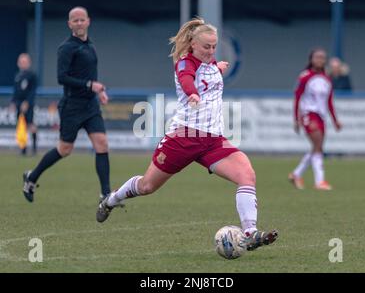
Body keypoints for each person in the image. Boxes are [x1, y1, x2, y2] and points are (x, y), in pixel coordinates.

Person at [96, 17, 278, 252]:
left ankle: (251, 233)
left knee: (246, 174)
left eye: (214, 47)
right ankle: (111, 200)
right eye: (206, 47)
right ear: (193, 44)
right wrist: (192, 93)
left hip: (213, 141)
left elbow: (208, 74)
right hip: (183, 139)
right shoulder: (185, 62)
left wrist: (218, 68)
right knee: (147, 186)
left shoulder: (211, 64)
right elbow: (186, 79)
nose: (210, 51)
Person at [23, 7, 111, 203]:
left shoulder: (90, 46)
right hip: (72, 106)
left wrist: (100, 91)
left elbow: (91, 77)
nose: (79, 23)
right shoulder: (66, 48)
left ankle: (105, 194)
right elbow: (61, 78)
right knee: (64, 149)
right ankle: (31, 177)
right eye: (75, 20)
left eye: (82, 19)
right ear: (69, 24)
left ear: (88, 21)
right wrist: (90, 85)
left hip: (90, 105)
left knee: (102, 144)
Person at [289, 48, 342, 191]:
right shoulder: (305, 76)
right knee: (318, 145)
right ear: (311, 59)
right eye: (317, 57)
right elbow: (298, 97)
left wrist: (335, 120)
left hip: (321, 116)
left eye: (322, 57)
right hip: (308, 114)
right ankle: (320, 181)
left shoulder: (326, 79)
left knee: (317, 147)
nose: (320, 60)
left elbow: (329, 101)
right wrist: (296, 118)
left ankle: (296, 174)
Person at [10, 53, 38, 156]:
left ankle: (34, 149)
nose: (23, 64)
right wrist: (13, 102)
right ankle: (23, 149)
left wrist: (27, 102)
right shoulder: (17, 76)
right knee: (21, 126)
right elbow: (15, 91)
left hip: (28, 104)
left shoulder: (32, 75)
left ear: (29, 63)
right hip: (18, 103)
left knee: (31, 124)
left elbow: (32, 91)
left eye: (25, 62)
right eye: (21, 62)